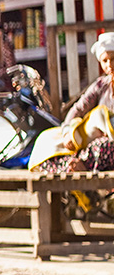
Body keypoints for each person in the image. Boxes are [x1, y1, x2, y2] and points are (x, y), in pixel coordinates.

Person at [29, 32, 114, 173]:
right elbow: (77, 110)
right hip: (91, 140)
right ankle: (75, 166)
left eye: (113, 59)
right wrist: (68, 132)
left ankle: (82, 166)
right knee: (46, 139)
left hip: (107, 145)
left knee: (104, 146)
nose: (110, 65)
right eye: (105, 61)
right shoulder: (101, 85)